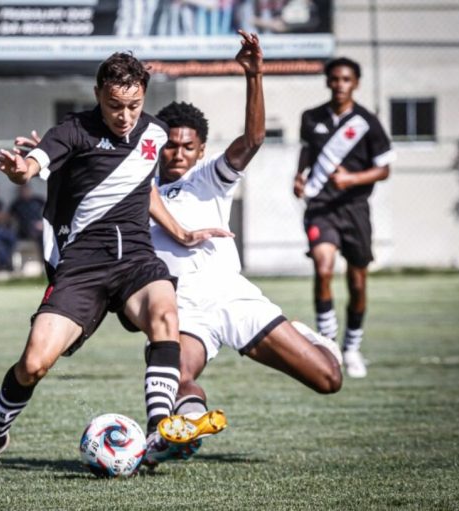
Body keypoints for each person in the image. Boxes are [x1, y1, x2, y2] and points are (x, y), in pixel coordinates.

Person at [0, 51, 227, 473]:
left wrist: (180, 231)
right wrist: (20, 169)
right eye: (115, 106)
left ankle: (159, 430)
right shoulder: (73, 130)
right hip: (82, 265)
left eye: (134, 105)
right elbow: (32, 166)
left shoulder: (155, 132)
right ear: (98, 95)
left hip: (135, 257)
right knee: (34, 363)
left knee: (165, 313)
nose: (125, 116)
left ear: (144, 96)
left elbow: (142, 185)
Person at [144, 30, 343, 465]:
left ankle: (304, 332)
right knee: (177, 375)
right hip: (184, 310)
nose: (177, 153)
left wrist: (255, 74)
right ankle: (189, 425)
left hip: (233, 296)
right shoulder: (139, 189)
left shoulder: (208, 179)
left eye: (187, 146)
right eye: (170, 145)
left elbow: (252, 140)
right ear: (158, 147)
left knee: (329, 379)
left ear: (199, 152)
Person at [293, 57, 395, 378]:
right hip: (320, 208)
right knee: (323, 270)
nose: (340, 85)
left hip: (355, 210)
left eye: (346, 79)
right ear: (328, 82)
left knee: (358, 282)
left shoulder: (367, 122)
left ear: (356, 83)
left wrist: (352, 179)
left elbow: (384, 168)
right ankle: (328, 345)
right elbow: (307, 152)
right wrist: (299, 177)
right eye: (335, 79)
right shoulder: (311, 117)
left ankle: (352, 347)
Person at [8, 182, 46, 256]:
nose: (24, 192)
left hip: (38, 228)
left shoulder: (38, 200)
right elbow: (10, 218)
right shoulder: (17, 203)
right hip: (24, 229)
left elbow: (50, 210)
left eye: (26, 190)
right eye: (22, 191)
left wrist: (43, 223)